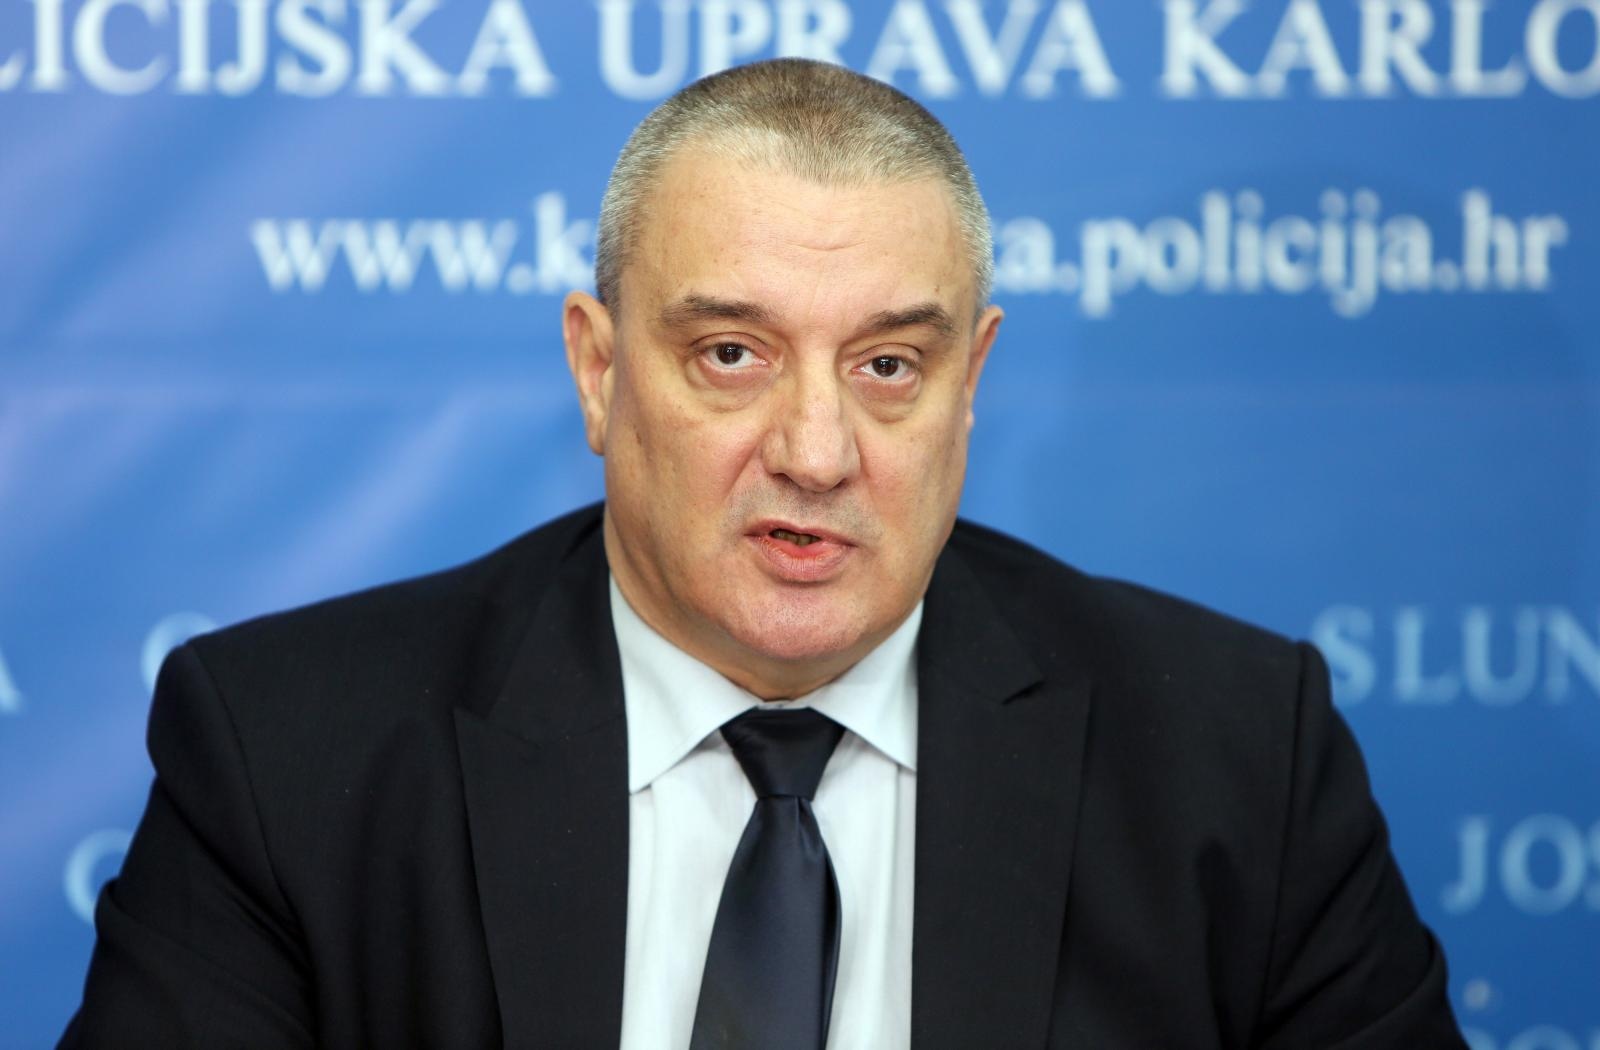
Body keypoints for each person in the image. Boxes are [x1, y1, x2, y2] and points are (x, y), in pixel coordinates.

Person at [61, 58, 1467, 1049]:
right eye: (731, 354)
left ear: (971, 383)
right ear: (599, 372)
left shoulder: (1236, 760)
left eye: (889, 365)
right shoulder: (291, 754)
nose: (816, 449)